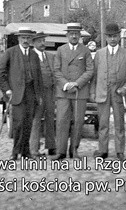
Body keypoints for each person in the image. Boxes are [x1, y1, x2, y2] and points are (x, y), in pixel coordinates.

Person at [0, 27, 44, 160]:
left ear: (31, 40)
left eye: (28, 38)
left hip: (31, 94)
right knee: (18, 124)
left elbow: (38, 76)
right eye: (23, 38)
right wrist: (7, 90)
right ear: (18, 39)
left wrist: (38, 95)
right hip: (16, 94)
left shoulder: (34, 55)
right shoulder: (10, 53)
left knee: (28, 123)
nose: (26, 40)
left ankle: (26, 152)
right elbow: (0, 73)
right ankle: (15, 152)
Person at [90, 23, 126, 161]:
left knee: (119, 123)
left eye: (115, 36)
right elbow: (94, 75)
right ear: (106, 38)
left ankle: (120, 152)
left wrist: (125, 88)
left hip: (118, 92)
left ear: (119, 37)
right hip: (103, 91)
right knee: (103, 123)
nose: (113, 39)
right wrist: (92, 92)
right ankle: (103, 150)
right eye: (110, 36)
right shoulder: (99, 54)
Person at [50, 23, 94, 160]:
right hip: (63, 92)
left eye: (76, 33)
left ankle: (74, 149)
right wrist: (66, 84)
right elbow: (56, 70)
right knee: (62, 121)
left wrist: (77, 83)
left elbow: (90, 70)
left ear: (80, 35)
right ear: (67, 35)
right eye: (71, 33)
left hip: (79, 92)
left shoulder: (85, 51)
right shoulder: (60, 50)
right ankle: (61, 151)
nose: (74, 36)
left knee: (78, 121)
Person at [30, 31, 57, 157]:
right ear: (33, 43)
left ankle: (51, 147)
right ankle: (34, 149)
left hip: (50, 92)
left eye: (43, 41)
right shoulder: (30, 56)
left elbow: (56, 73)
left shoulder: (50, 56)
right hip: (37, 93)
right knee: (36, 120)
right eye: (39, 41)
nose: (42, 43)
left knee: (50, 118)